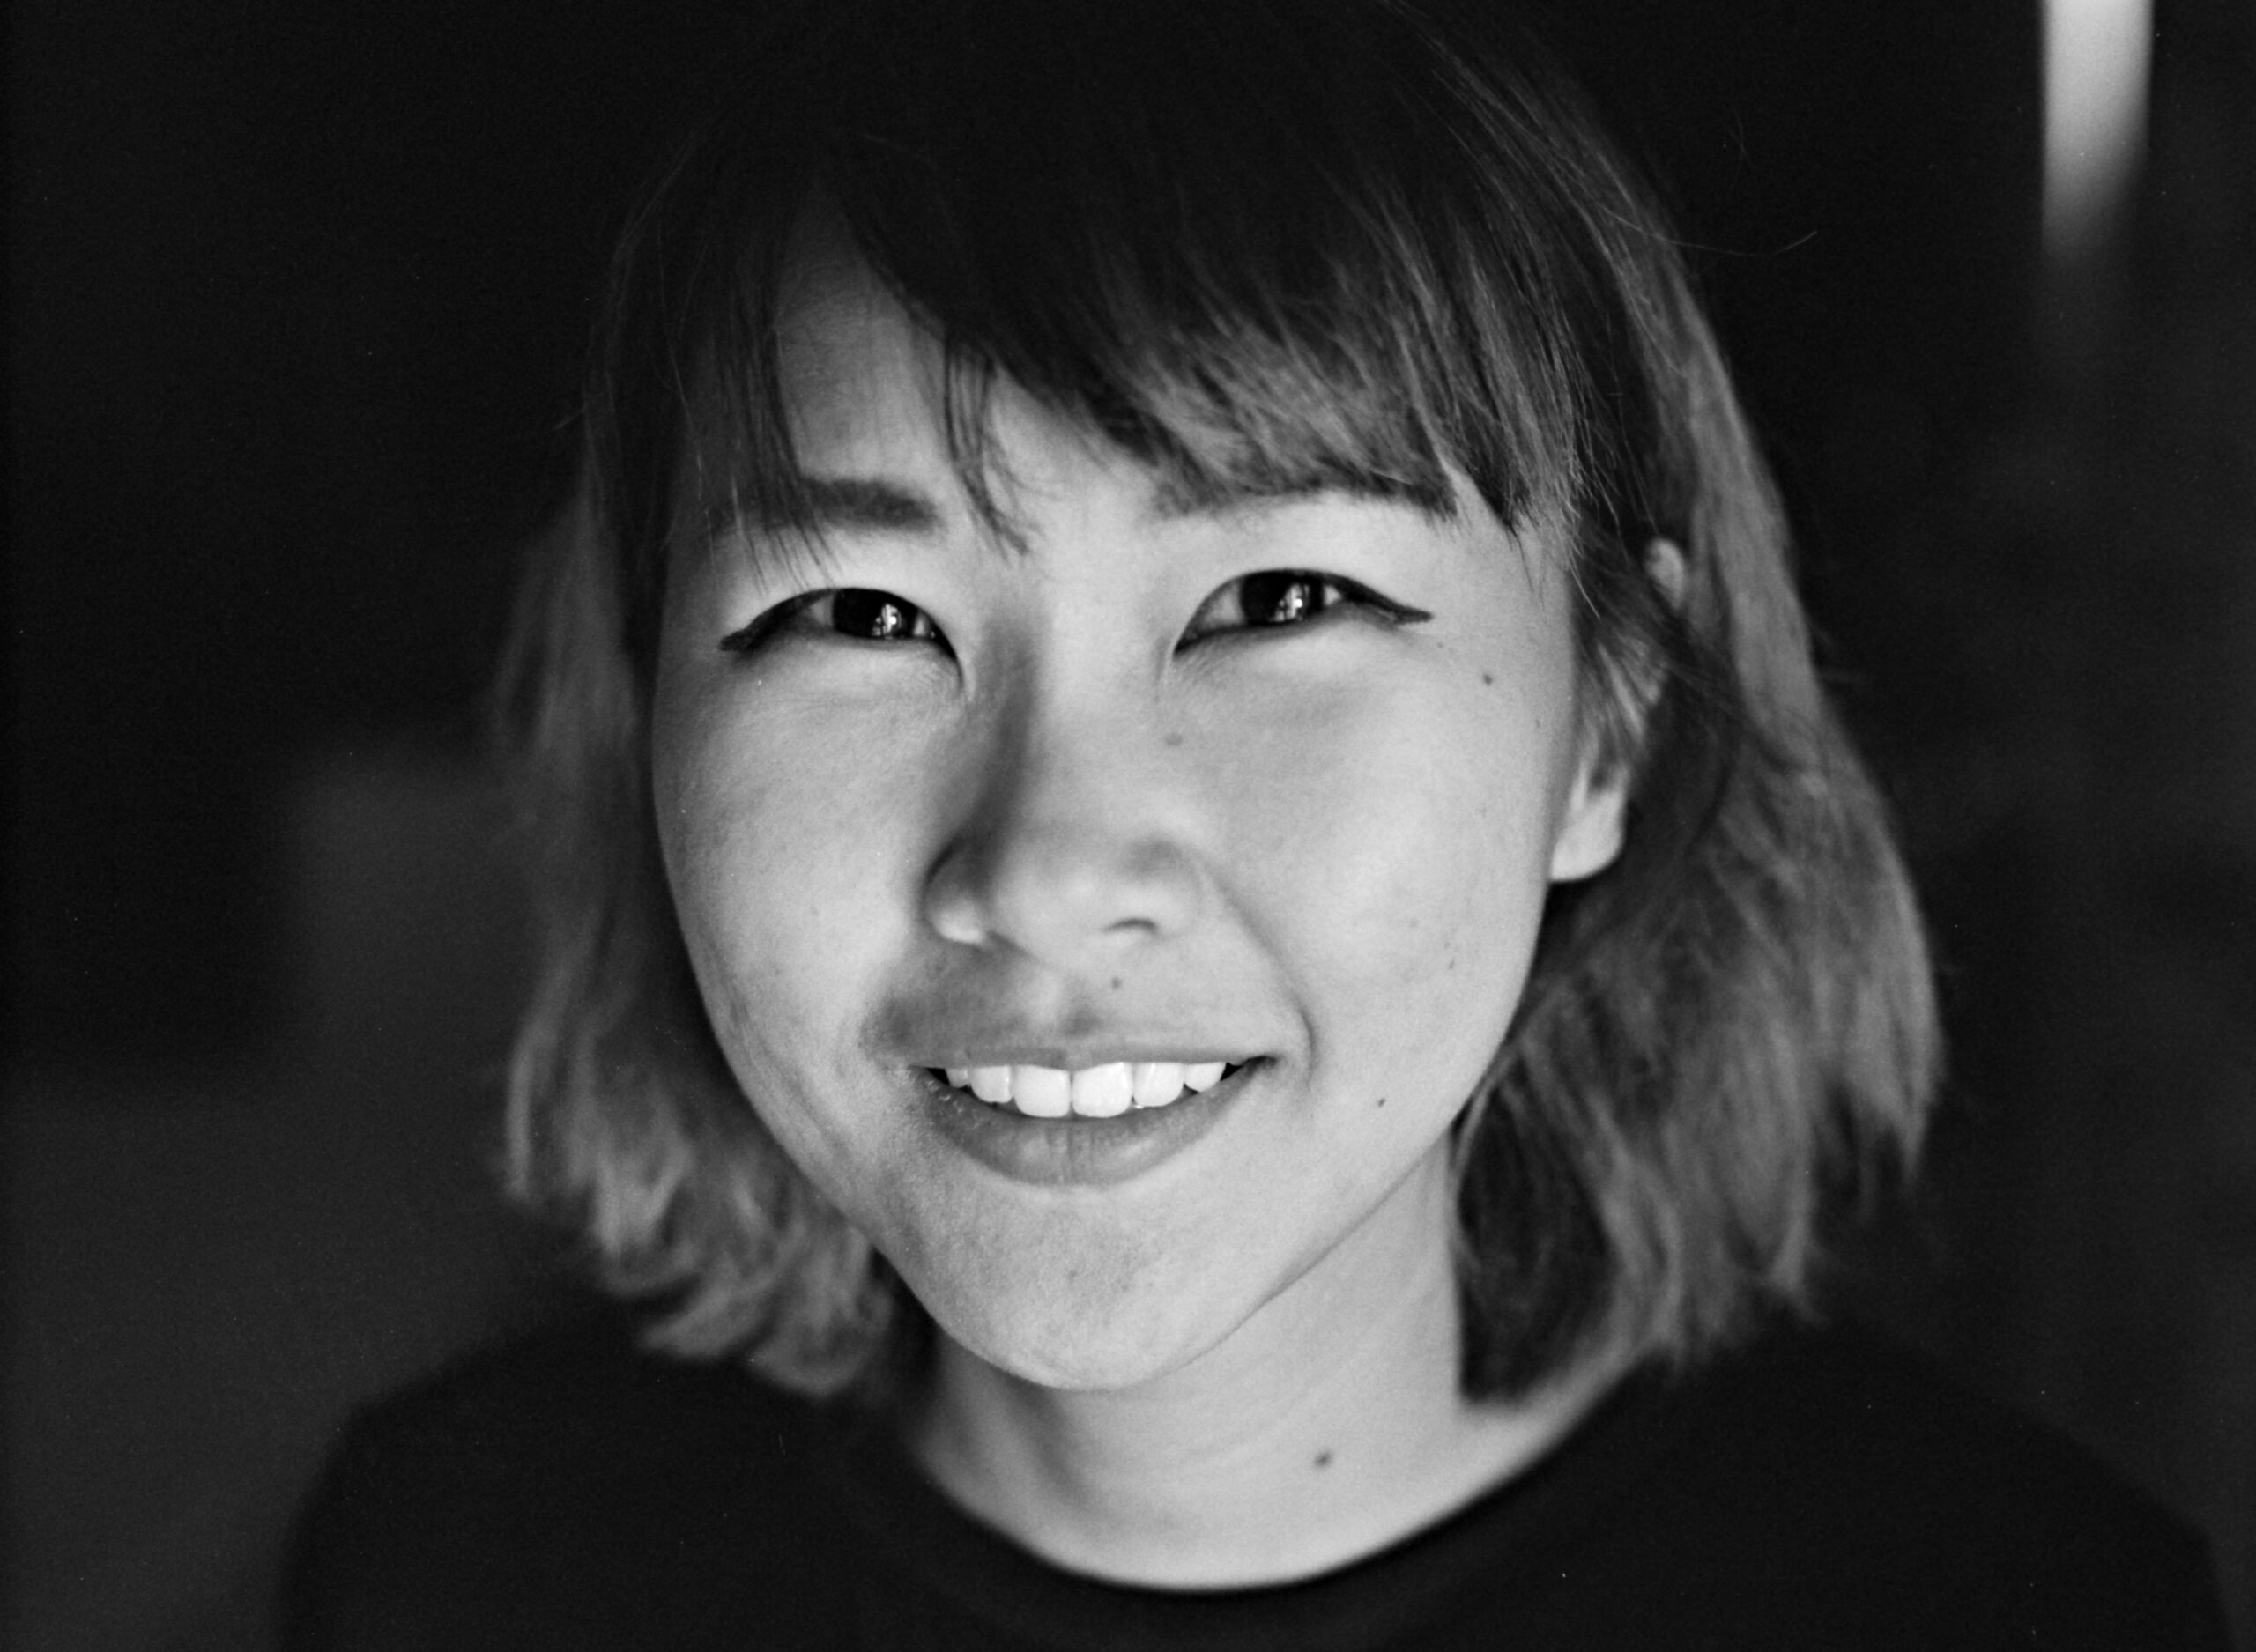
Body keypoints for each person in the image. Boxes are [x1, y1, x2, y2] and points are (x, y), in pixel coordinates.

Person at [282, 1, 2231, 1645]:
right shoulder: (457, 1573)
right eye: (862, 617)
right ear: (649, 710)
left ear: (1609, 727)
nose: (1048, 869)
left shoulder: (2012, 1608)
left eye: (1275, 600)